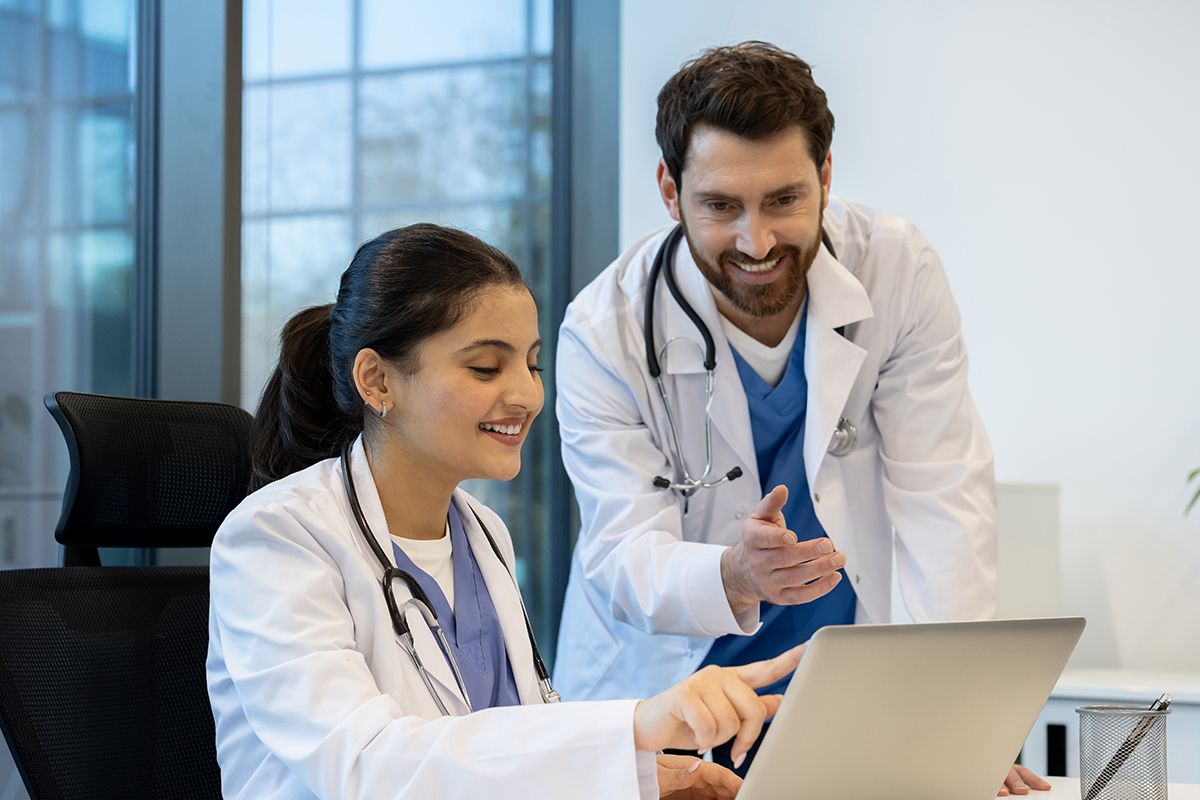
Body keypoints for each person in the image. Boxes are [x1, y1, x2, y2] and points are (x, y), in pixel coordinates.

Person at [552, 42, 1045, 794]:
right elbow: (622, 551)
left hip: (834, 686)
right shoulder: (604, 331)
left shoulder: (898, 271)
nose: (757, 242)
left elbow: (944, 497)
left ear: (825, 177)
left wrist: (967, 716)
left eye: (783, 200)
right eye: (720, 206)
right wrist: (733, 573)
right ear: (668, 190)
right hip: (669, 694)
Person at [206, 223, 803, 800]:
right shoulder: (277, 538)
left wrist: (643, 781)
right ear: (378, 380)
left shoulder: (482, 533)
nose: (527, 394)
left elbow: (509, 752)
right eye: (486, 367)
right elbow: (368, 768)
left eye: (532, 363)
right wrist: (636, 727)